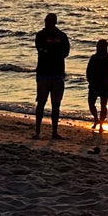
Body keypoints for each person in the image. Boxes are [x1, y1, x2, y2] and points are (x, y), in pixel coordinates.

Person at [33, 11, 70, 139]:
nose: (48, 24)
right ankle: (37, 130)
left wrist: (52, 52)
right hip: (44, 74)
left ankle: (54, 131)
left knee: (56, 104)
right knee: (41, 103)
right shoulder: (40, 35)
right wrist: (54, 52)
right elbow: (40, 49)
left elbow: (66, 52)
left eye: (50, 22)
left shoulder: (62, 36)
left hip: (57, 74)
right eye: (47, 22)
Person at [85, 39, 108, 129]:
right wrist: (89, 80)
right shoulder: (94, 57)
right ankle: (96, 119)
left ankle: (101, 124)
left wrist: (107, 80)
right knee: (91, 103)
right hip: (94, 83)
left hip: (104, 84)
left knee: (103, 105)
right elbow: (88, 70)